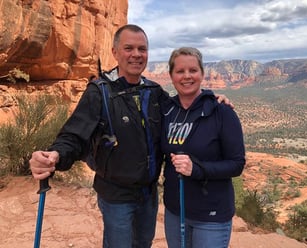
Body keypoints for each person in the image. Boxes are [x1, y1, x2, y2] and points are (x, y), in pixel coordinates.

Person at [29, 24, 232, 248]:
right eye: (129, 48)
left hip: (148, 194)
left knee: (143, 243)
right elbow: (75, 136)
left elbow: (182, 110)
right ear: (115, 52)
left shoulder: (155, 92)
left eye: (142, 49)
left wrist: (211, 99)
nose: (136, 54)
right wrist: (55, 155)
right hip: (116, 195)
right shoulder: (100, 92)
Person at [161, 47, 246, 248]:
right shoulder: (167, 110)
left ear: (202, 73)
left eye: (193, 70)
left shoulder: (221, 112)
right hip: (175, 212)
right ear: (171, 76)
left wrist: (197, 170)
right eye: (180, 71)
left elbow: (237, 164)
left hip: (211, 216)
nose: (186, 76)